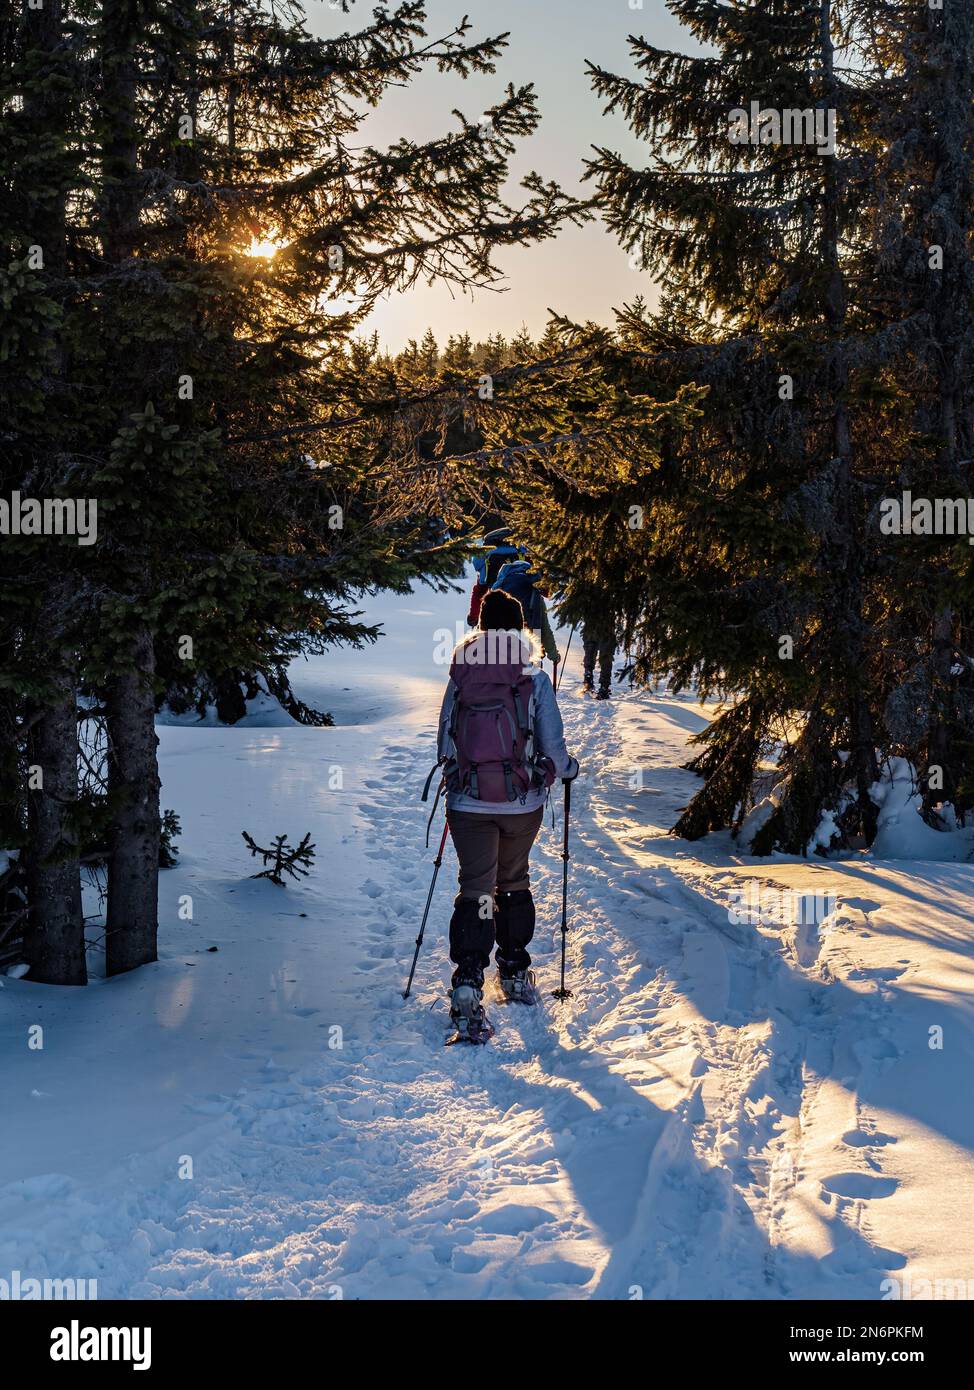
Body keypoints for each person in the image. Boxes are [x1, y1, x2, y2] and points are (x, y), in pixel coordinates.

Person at [435, 589, 579, 1039]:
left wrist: (462, 777)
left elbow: (444, 743)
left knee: (475, 887)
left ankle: (467, 984)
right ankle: (514, 972)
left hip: (468, 805)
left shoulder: (461, 676)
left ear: (479, 626)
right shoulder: (533, 679)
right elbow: (553, 748)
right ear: (521, 629)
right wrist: (565, 769)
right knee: (514, 881)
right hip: (521, 803)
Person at [582, 609, 618, 700]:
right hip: (607, 622)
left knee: (590, 649)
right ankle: (604, 686)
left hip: (591, 620)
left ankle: (588, 678)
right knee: (606, 654)